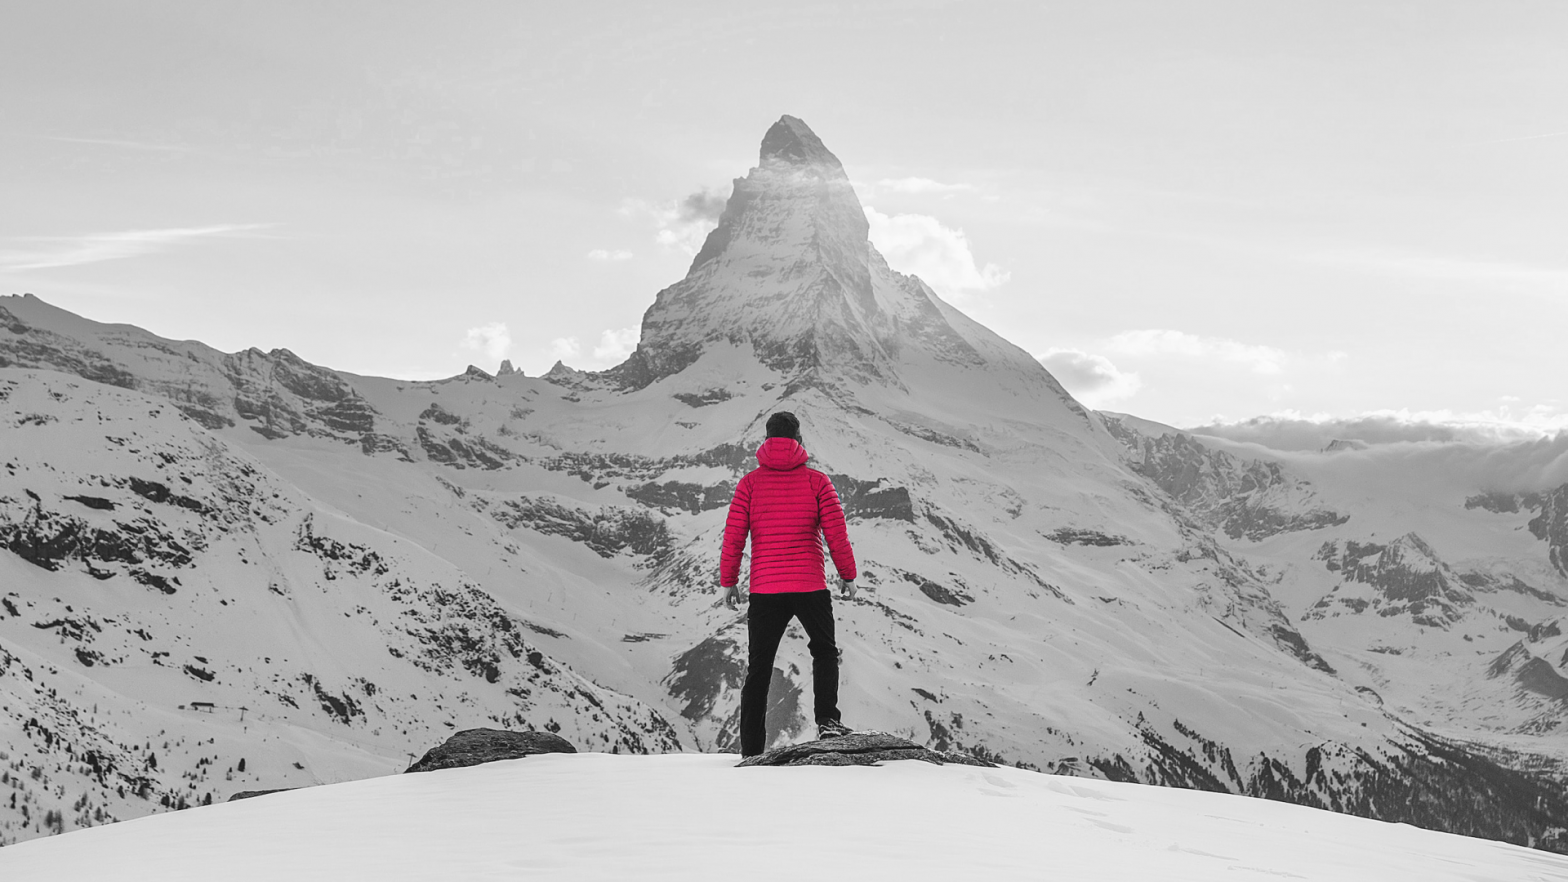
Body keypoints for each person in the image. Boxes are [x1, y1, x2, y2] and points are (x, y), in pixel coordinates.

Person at [719, 411, 858, 757]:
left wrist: (729, 582)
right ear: (798, 440)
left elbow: (734, 537)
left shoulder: (749, 484)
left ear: (766, 440)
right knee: (824, 651)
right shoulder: (817, 481)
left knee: (759, 667)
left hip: (765, 589)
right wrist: (848, 575)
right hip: (809, 584)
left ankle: (751, 749)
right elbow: (836, 534)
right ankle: (827, 721)